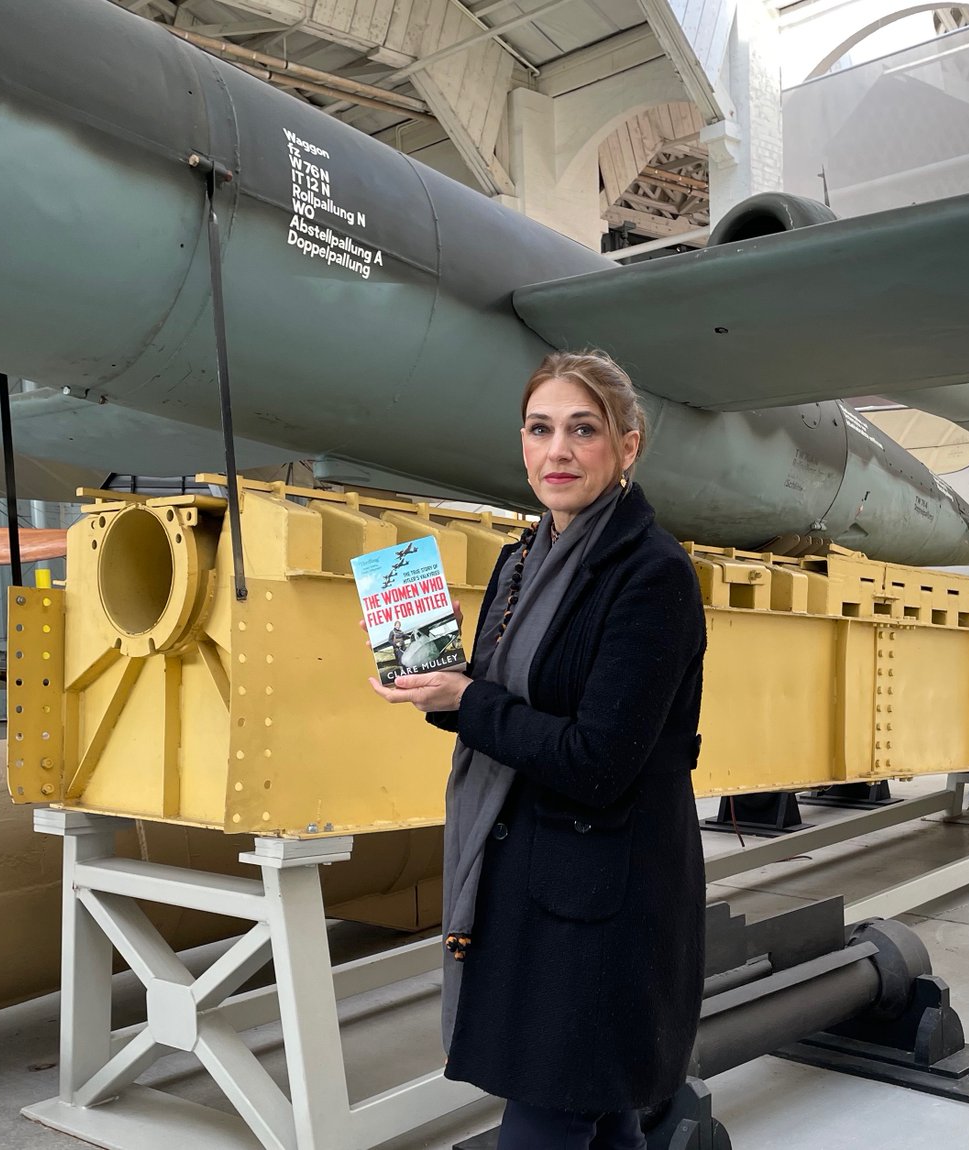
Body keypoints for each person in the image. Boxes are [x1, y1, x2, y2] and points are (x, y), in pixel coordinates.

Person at [369, 350, 707, 1149]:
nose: (556, 451)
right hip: (529, 883)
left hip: (603, 903)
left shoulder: (653, 575)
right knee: (603, 1110)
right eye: (540, 428)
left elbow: (598, 759)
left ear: (627, 447)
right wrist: (437, 685)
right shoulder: (522, 559)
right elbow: (504, 703)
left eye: (582, 430)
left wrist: (469, 699)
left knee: (550, 1110)